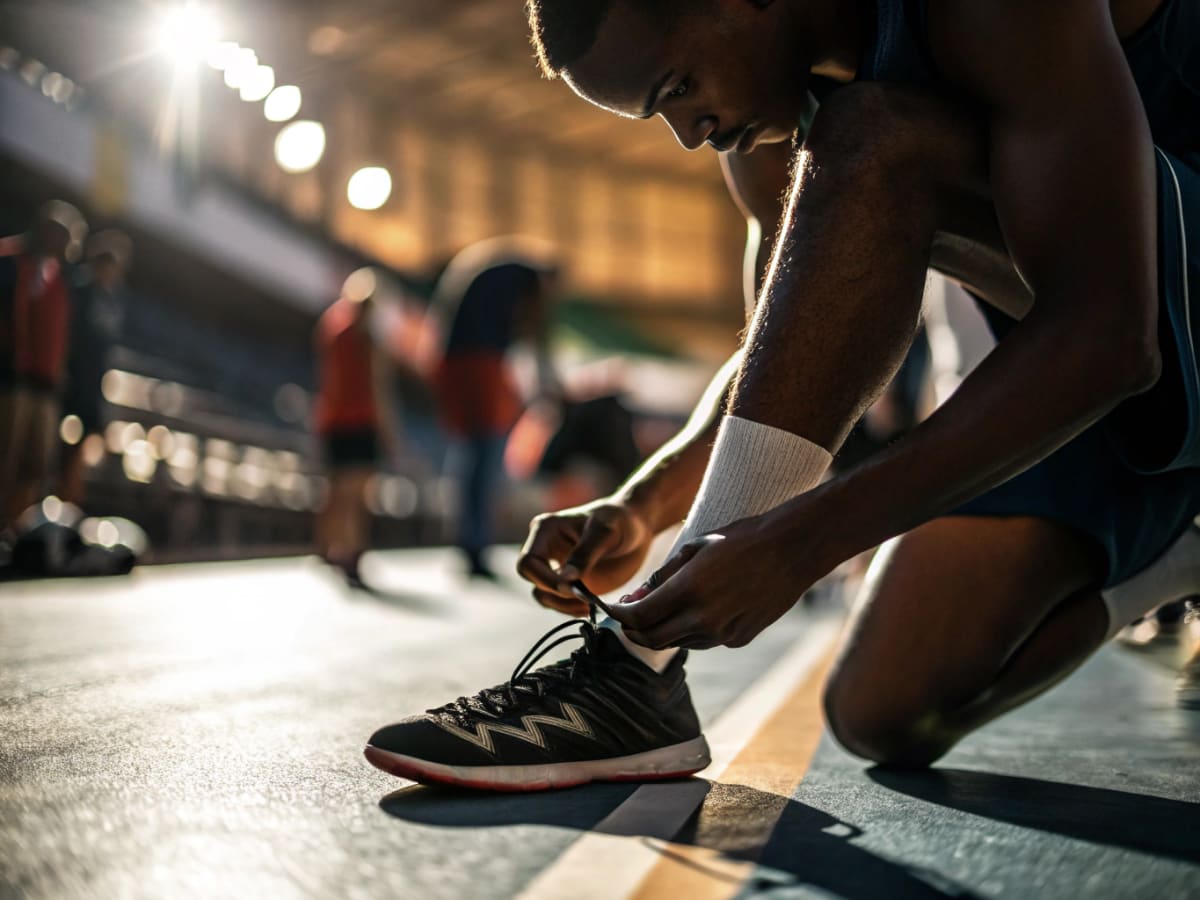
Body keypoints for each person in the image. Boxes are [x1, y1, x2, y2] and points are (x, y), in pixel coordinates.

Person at [364, 0, 1200, 789]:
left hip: (1114, 333)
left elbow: (1106, 337)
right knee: (884, 710)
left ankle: (634, 675)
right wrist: (642, 504)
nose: (690, 135)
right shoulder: (765, 135)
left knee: (875, 137)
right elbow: (787, 366)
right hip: (1115, 364)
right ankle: (1179, 558)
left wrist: (803, 541)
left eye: (679, 88)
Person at [426, 238, 561, 579]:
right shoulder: (525, 280)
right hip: (480, 366)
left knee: (470, 453)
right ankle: (475, 543)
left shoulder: (494, 270)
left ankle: (466, 538)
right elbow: (537, 337)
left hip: (456, 363)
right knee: (486, 455)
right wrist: (550, 389)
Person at [0, 201, 86, 536]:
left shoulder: (56, 278)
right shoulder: (8, 261)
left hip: (42, 385)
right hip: (8, 380)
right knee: (4, 456)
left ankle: (11, 527)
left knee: (32, 462)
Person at [313, 267, 397, 588]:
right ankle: (352, 553)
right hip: (360, 422)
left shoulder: (332, 325)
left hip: (332, 418)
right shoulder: (368, 337)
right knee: (358, 494)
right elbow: (379, 389)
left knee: (335, 490)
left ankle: (326, 548)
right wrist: (390, 435)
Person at [60, 229, 133, 509]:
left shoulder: (115, 298)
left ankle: (70, 503)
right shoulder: (79, 290)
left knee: (82, 448)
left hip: (93, 383)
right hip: (70, 378)